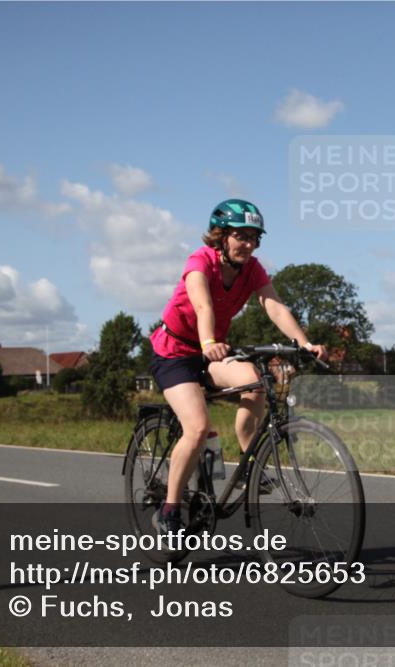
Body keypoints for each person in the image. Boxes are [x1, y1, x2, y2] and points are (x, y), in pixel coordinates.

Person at [147, 199, 328, 535]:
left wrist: (304, 343)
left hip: (212, 351)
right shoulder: (200, 261)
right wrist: (207, 343)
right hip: (176, 352)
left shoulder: (252, 269)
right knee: (198, 427)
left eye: (255, 238)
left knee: (255, 382)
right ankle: (169, 509)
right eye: (241, 236)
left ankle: (247, 465)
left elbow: (273, 306)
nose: (249, 244)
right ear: (221, 236)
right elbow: (203, 306)